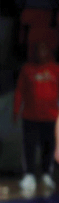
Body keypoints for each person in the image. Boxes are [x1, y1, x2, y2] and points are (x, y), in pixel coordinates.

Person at [14, 41, 59, 193]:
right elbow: (20, 91)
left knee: (49, 146)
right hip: (30, 116)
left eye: (44, 49)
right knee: (29, 147)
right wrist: (15, 111)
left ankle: (47, 174)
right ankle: (29, 175)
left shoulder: (55, 69)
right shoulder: (27, 69)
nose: (41, 53)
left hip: (51, 116)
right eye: (38, 50)